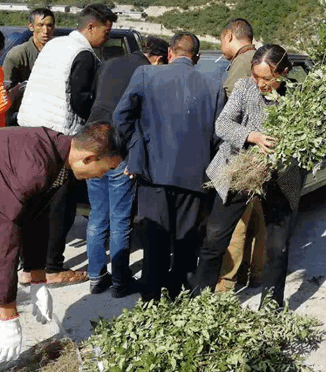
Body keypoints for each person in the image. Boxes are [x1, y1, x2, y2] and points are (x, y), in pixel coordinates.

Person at [0, 122, 125, 372]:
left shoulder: (57, 158)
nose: (102, 177)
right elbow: (5, 230)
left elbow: (34, 218)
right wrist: (8, 313)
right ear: (89, 158)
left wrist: (38, 278)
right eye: (105, 170)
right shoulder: (33, 163)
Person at [114, 33, 225, 302]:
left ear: (170, 53)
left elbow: (121, 117)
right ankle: (178, 298)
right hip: (194, 175)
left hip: (153, 173)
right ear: (196, 58)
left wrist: (136, 149)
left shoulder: (146, 74)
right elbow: (218, 134)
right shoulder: (213, 84)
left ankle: (151, 300)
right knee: (186, 243)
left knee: (155, 243)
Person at [191, 44, 302, 309]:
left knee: (278, 247)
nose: (260, 83)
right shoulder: (244, 88)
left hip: (281, 178)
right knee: (215, 238)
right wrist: (252, 136)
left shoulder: (299, 98)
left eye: (267, 78)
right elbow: (223, 124)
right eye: (257, 76)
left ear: (284, 73)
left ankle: (271, 309)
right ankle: (197, 304)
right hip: (241, 170)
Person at [16, 3, 118, 286]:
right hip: (57, 136)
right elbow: (79, 100)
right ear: (90, 28)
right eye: (105, 32)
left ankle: (28, 268)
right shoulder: (83, 54)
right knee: (61, 203)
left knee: (34, 202)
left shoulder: (53, 45)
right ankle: (52, 268)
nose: (106, 38)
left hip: (29, 128)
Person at [85, 36, 169, 297]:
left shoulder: (109, 63)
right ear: (158, 58)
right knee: (120, 219)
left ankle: (96, 277)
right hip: (118, 148)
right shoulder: (146, 72)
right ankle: (121, 282)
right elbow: (143, 118)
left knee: (97, 215)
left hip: (91, 142)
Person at [217, 18, 265, 293]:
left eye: (222, 40)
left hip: (243, 154)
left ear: (230, 35)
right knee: (258, 216)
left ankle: (226, 281)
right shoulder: (258, 58)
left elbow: (230, 117)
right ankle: (256, 272)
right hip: (260, 153)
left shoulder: (241, 64)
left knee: (237, 221)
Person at [2, 8, 56, 87]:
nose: (45, 31)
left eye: (49, 25)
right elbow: (6, 87)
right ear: (31, 26)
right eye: (40, 25)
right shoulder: (17, 55)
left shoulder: (60, 53)